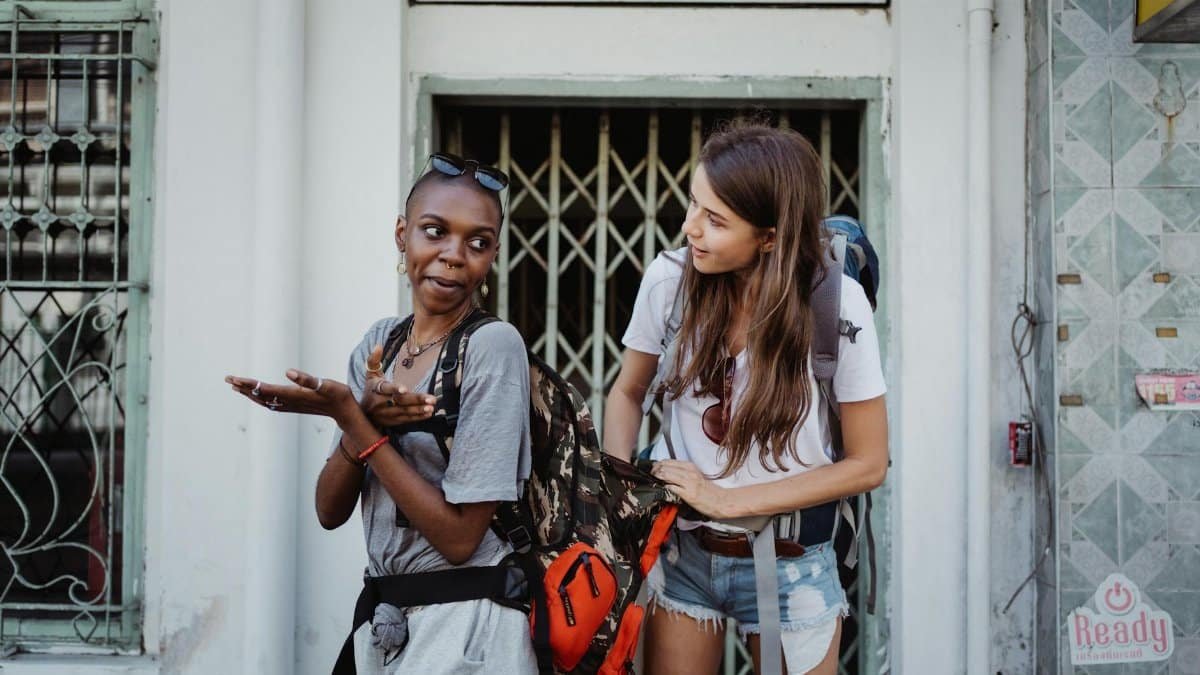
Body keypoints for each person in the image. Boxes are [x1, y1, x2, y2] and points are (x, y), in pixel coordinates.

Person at [225, 153, 537, 674]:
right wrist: (357, 424)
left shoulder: (493, 347)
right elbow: (329, 512)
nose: (454, 255)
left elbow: (461, 540)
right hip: (386, 623)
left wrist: (356, 421)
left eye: (477, 242)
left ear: (494, 254)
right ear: (402, 233)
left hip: (468, 629)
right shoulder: (380, 344)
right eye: (434, 231)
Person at [602, 122, 889, 675]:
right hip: (681, 550)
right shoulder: (669, 282)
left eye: (715, 220)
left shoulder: (836, 304)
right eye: (692, 206)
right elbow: (627, 391)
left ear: (772, 237)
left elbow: (868, 462)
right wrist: (621, 497)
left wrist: (729, 500)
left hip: (793, 559)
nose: (691, 229)